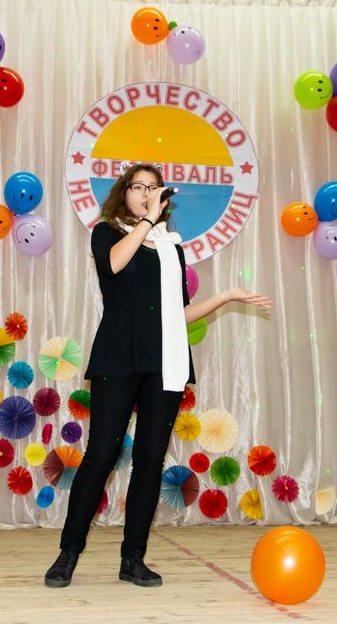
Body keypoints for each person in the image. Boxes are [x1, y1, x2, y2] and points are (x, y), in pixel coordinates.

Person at [44, 163, 272, 588]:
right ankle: (68, 553)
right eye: (138, 187)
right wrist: (148, 221)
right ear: (124, 192)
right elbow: (113, 266)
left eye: (153, 188)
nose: (147, 193)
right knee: (100, 456)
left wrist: (226, 296)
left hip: (164, 363)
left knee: (149, 463)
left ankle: (133, 559)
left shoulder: (171, 249)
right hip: (118, 357)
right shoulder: (107, 233)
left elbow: (179, 315)